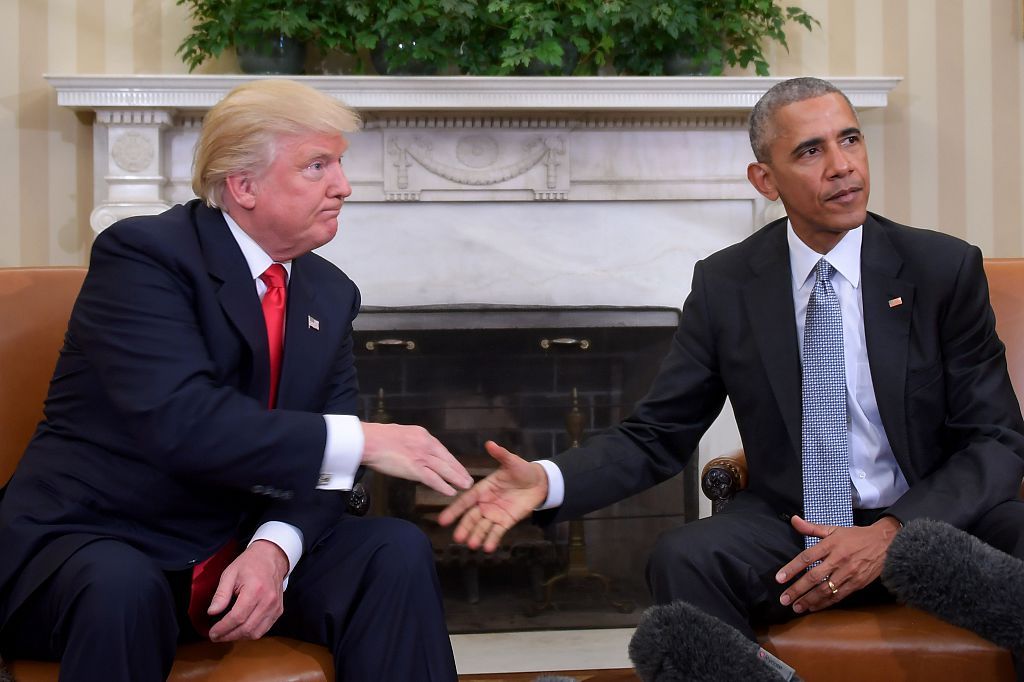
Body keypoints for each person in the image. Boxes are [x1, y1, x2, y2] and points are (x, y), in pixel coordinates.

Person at [440, 77, 1024, 677]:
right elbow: (658, 432)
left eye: (849, 139)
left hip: (935, 526)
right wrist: (548, 479)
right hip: (795, 530)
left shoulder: (941, 269)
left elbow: (996, 439)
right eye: (810, 151)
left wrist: (893, 534)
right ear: (764, 181)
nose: (842, 166)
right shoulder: (727, 285)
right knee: (684, 557)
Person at [0, 79, 472, 681]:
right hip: (104, 536)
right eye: (317, 166)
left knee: (392, 550)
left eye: (340, 164)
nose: (343, 187)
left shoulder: (329, 292)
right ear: (243, 185)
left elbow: (327, 468)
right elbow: (183, 423)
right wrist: (368, 440)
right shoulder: (145, 258)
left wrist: (274, 550)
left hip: (235, 547)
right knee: (123, 586)